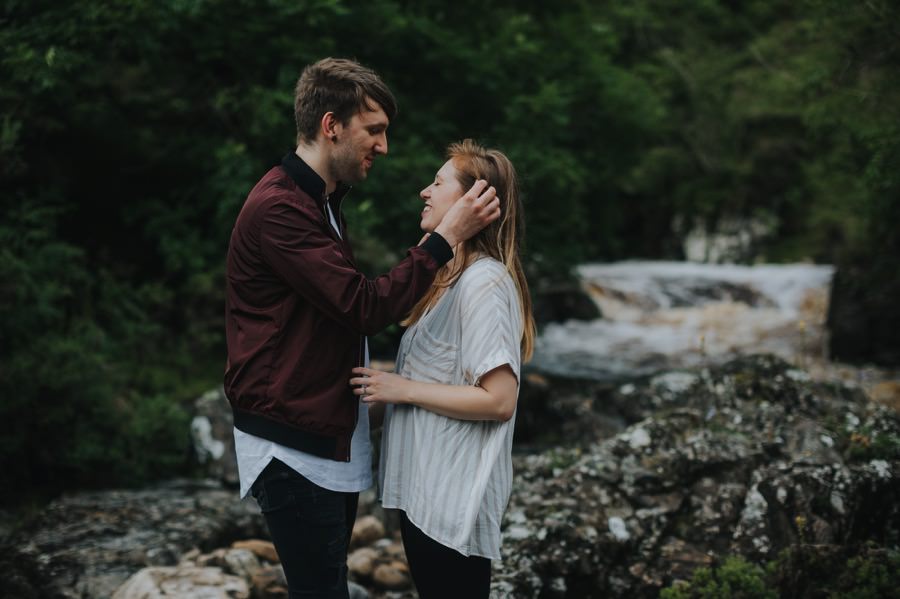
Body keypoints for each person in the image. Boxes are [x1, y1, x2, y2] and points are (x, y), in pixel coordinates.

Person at [224, 58, 499, 599]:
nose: (384, 146)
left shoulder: (319, 202)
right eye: (374, 130)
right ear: (332, 125)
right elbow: (362, 306)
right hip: (292, 445)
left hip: (319, 435)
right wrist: (444, 239)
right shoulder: (280, 209)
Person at [349, 139, 537, 599]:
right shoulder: (448, 280)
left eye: (437, 183)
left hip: (453, 503)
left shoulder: (484, 283)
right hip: (426, 497)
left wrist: (402, 388)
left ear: (473, 200)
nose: (424, 192)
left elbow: (499, 400)